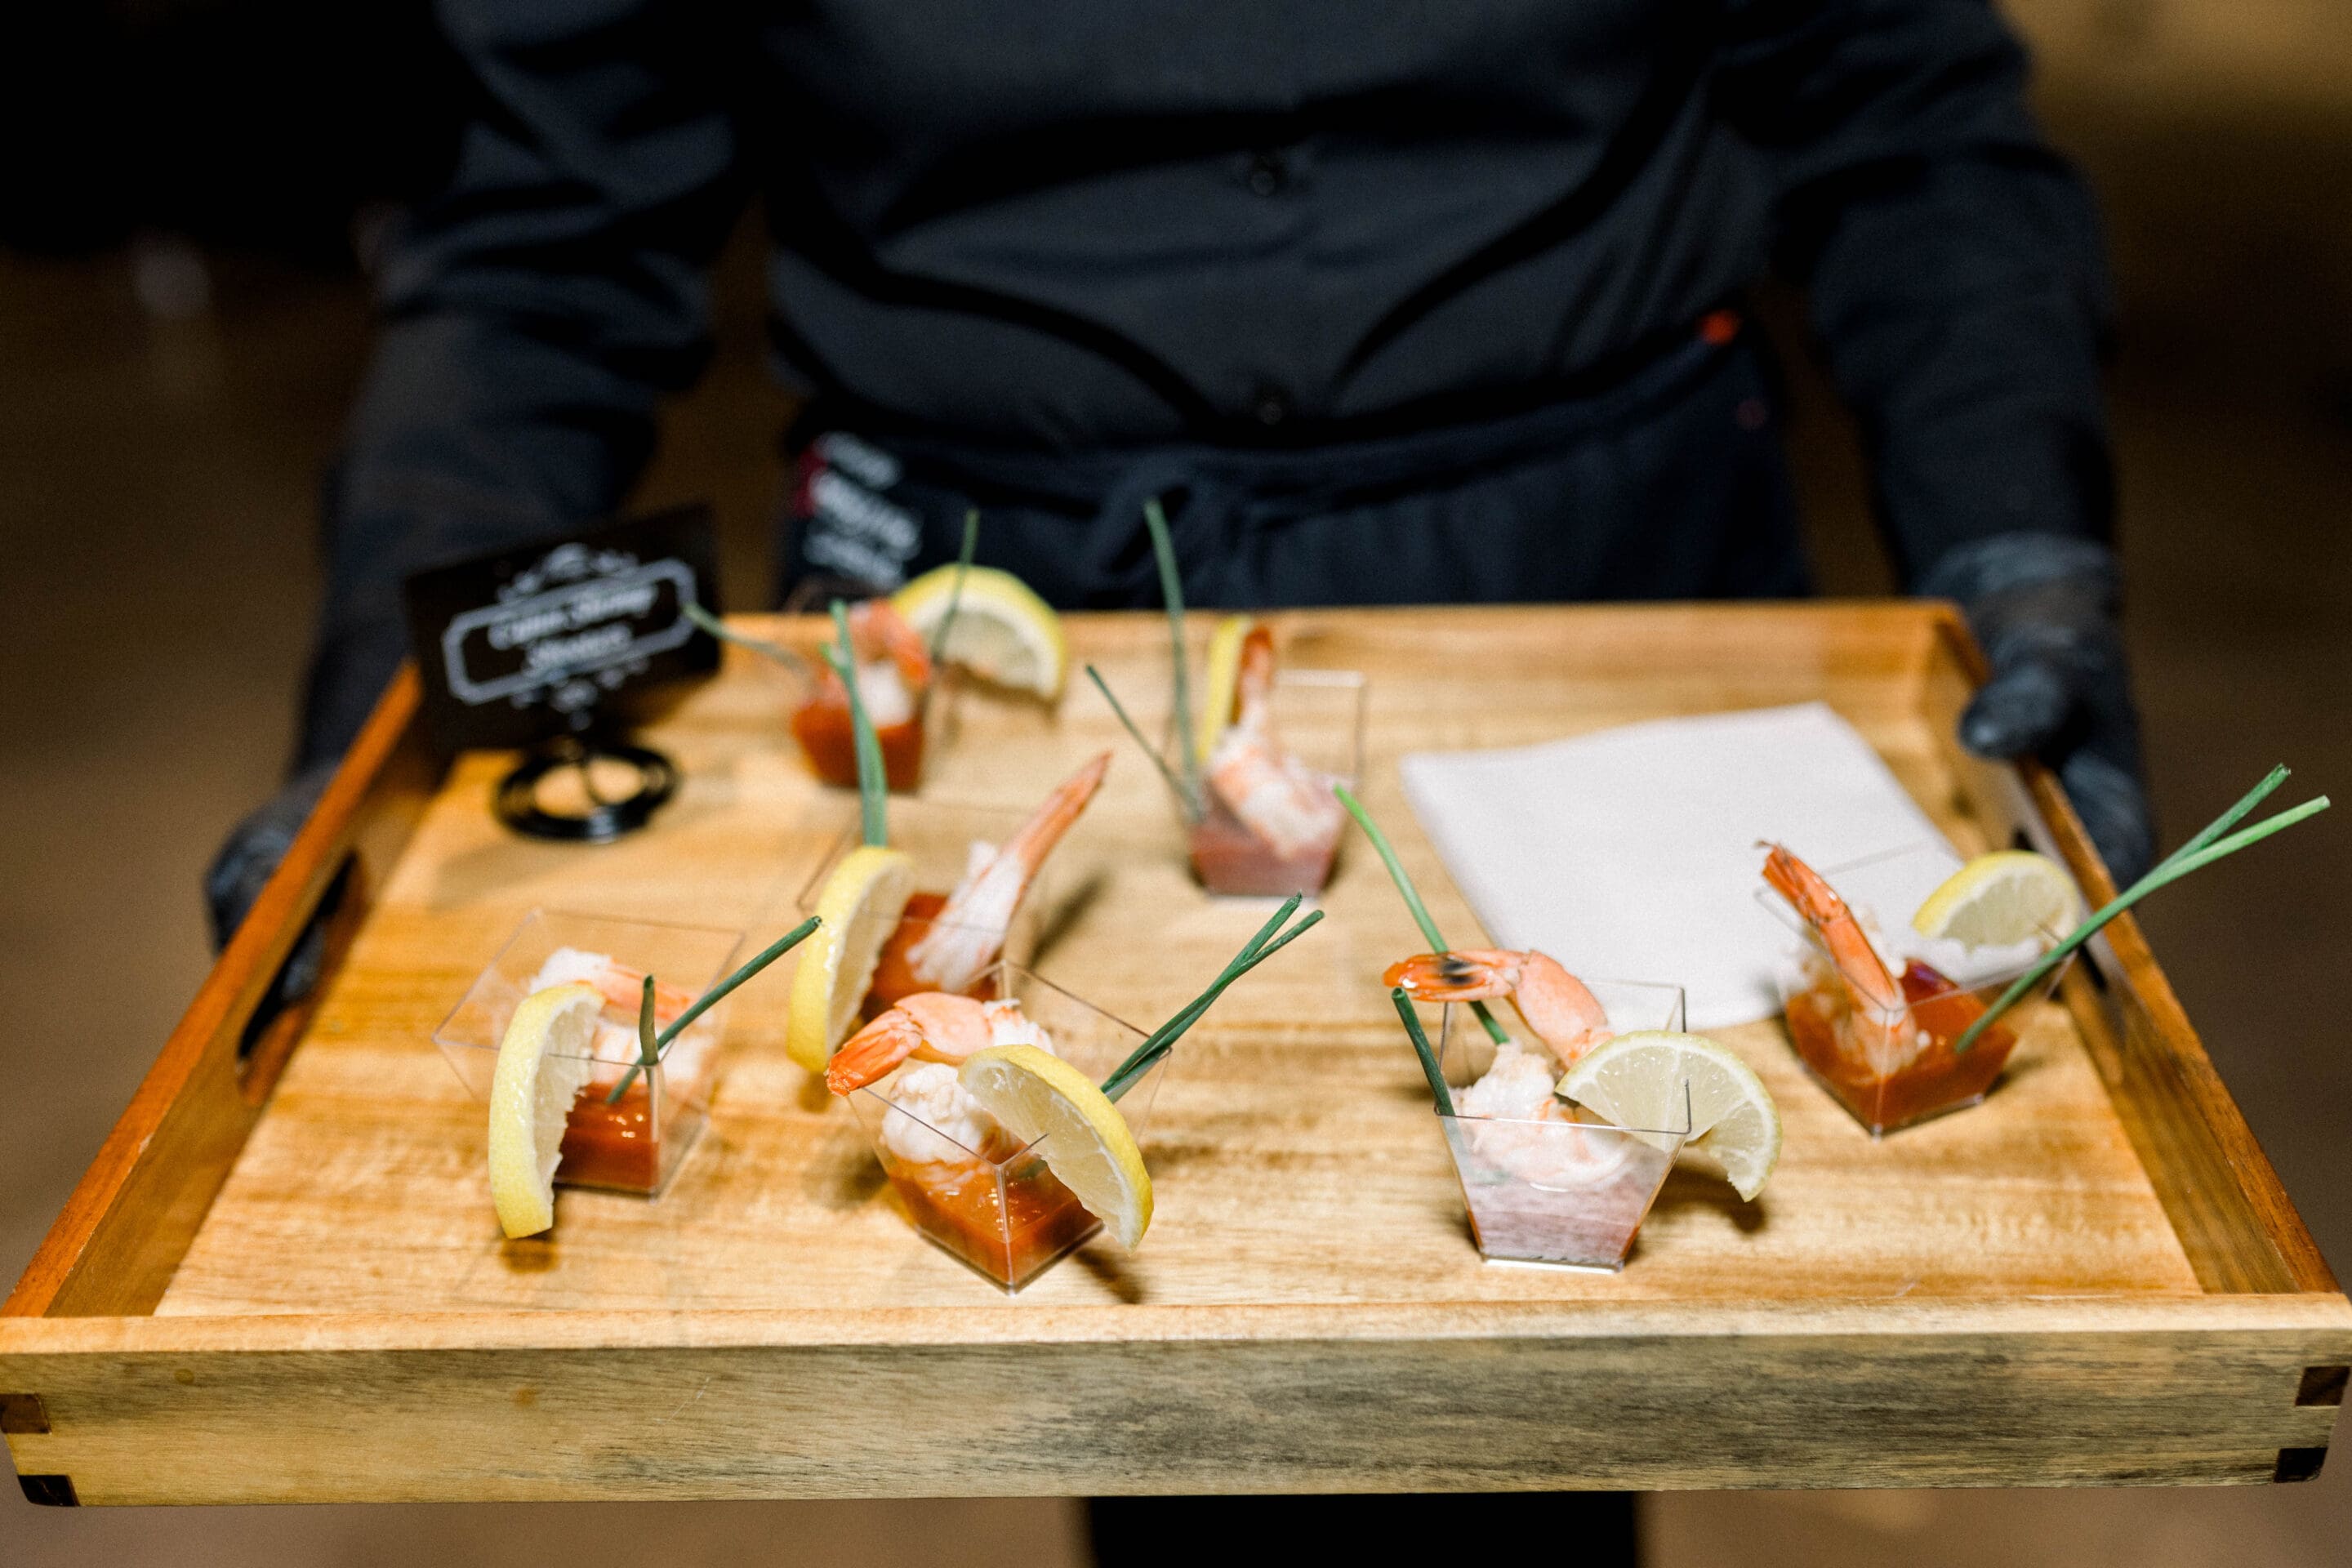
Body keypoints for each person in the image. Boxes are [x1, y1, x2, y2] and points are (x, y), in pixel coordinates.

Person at [203, 5, 2151, 1554]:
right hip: (1000, 559)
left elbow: (1909, 111)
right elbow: (542, 228)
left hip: (1600, 525)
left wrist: (2017, 534)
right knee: (1167, 1399)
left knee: (1552, 1351)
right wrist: (361, 740)